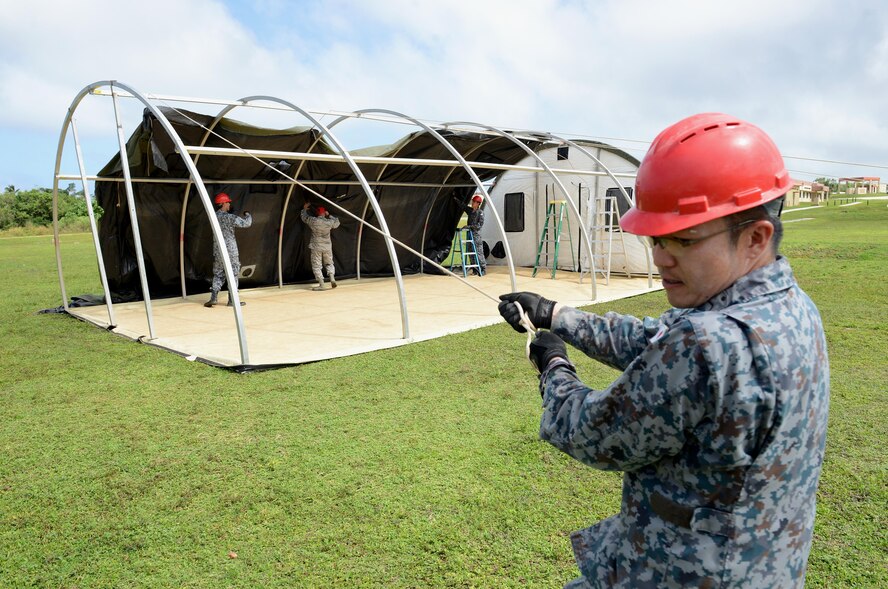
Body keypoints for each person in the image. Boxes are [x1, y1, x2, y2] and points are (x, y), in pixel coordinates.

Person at [498, 113, 830, 588]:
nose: (659, 257)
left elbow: (593, 433)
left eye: (684, 239)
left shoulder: (708, 343)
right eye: (656, 238)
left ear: (756, 237)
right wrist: (555, 314)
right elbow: (653, 340)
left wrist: (552, 363)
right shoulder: (790, 308)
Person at [205, 192, 252, 308]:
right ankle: (232, 300)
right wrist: (248, 215)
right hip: (231, 251)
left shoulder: (213, 217)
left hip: (218, 250)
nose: (229, 205)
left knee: (218, 274)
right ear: (223, 203)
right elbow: (247, 223)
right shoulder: (230, 217)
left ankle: (214, 298)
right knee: (233, 273)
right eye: (228, 202)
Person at [301, 201, 340, 291]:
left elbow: (304, 218)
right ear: (324, 213)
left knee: (317, 265)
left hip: (316, 246)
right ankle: (332, 279)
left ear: (317, 213)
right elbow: (337, 223)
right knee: (329, 262)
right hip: (327, 246)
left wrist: (304, 209)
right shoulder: (329, 222)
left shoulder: (313, 221)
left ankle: (322, 284)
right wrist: (329, 215)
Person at [455, 193, 486, 275]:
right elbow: (463, 206)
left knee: (478, 252)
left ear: (478, 203)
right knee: (470, 251)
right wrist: (455, 198)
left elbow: (479, 225)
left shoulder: (480, 213)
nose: (472, 203)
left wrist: (469, 226)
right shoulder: (470, 211)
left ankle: (482, 269)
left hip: (476, 236)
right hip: (469, 235)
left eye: (474, 202)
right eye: (472, 201)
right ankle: (475, 269)